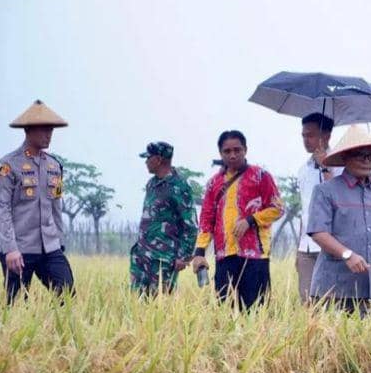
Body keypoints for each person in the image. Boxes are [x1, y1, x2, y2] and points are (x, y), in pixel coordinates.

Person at [307, 125, 371, 319]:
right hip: (334, 289)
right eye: (360, 155)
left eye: (370, 156)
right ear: (345, 157)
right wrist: (347, 254)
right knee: (331, 346)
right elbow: (318, 232)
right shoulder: (326, 191)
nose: (367, 161)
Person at [190, 130, 283, 310]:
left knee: (256, 312)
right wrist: (199, 253)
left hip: (255, 256)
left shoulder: (260, 176)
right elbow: (206, 220)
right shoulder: (213, 183)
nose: (232, 155)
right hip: (224, 255)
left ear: (245, 150)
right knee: (225, 311)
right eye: (227, 151)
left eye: (237, 150)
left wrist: (251, 220)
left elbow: (278, 208)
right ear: (220, 153)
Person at [0, 100, 74, 303]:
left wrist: (59, 241)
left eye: (51, 130)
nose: (49, 135)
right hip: (20, 249)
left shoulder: (55, 166)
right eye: (44, 130)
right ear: (28, 130)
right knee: (15, 306)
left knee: (67, 296)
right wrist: (10, 249)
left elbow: (56, 205)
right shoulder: (8, 165)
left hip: (50, 247)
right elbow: (2, 208)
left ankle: (57, 334)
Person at [129, 141, 198, 295]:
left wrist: (184, 256)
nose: (146, 162)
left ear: (159, 160)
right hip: (142, 257)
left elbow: (191, 225)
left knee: (161, 304)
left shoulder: (179, 186)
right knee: (137, 305)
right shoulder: (151, 184)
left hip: (163, 259)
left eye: (148, 158)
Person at [296, 113, 342, 303]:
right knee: (308, 303)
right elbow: (304, 212)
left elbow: (339, 202)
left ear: (327, 136)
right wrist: (297, 250)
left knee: (332, 302)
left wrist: (326, 167)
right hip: (306, 247)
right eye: (304, 135)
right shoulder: (303, 170)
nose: (306, 140)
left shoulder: (341, 167)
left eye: (311, 135)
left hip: (331, 246)